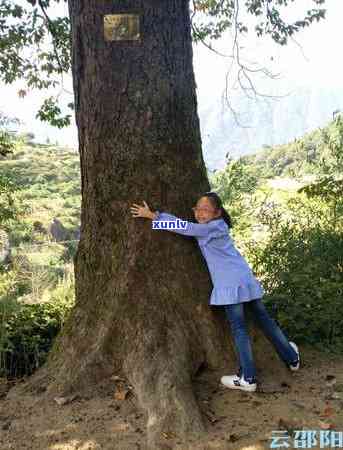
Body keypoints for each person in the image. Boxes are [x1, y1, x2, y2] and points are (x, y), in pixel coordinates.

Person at [130, 192, 300, 392]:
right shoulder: (217, 226)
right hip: (243, 278)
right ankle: (291, 357)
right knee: (263, 319)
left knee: (239, 329)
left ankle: (248, 378)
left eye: (205, 210)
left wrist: (153, 216)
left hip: (230, 283)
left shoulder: (210, 228)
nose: (200, 213)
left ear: (217, 212)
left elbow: (184, 228)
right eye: (197, 209)